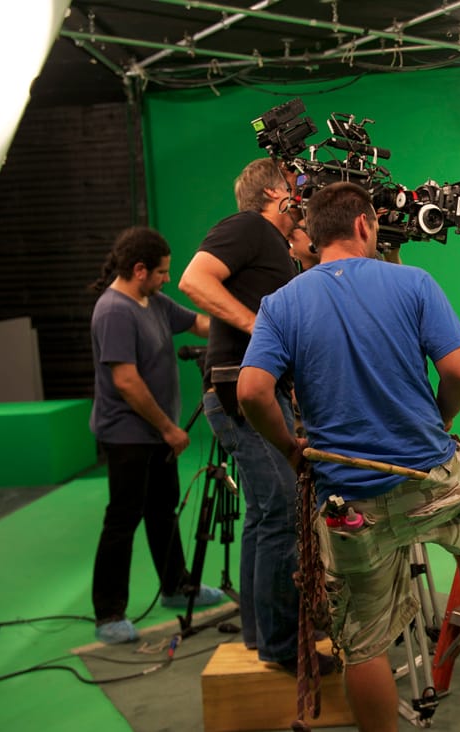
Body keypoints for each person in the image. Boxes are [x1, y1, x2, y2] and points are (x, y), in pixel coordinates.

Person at [236, 182, 460, 732]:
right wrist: (441, 421)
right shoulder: (414, 282)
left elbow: (250, 392)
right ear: (365, 225)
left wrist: (292, 451)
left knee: (364, 646)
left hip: (349, 502)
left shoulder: (281, 303)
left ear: (313, 236)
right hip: (428, 480)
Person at [178, 157, 302, 671]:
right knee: (284, 510)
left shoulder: (276, 245)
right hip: (240, 395)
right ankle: (280, 645)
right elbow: (193, 279)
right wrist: (257, 326)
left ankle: (261, 635)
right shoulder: (248, 226)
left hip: (248, 394)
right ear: (274, 192)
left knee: (264, 514)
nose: (301, 192)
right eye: (294, 185)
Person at [88, 226, 222, 644]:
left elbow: (199, 324)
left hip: (157, 435)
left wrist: (242, 324)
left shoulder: (154, 301)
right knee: (123, 518)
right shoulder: (114, 311)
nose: (168, 278)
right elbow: (126, 381)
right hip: (128, 435)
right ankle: (109, 613)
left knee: (163, 511)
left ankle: (176, 585)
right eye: (162, 272)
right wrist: (168, 428)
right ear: (140, 270)